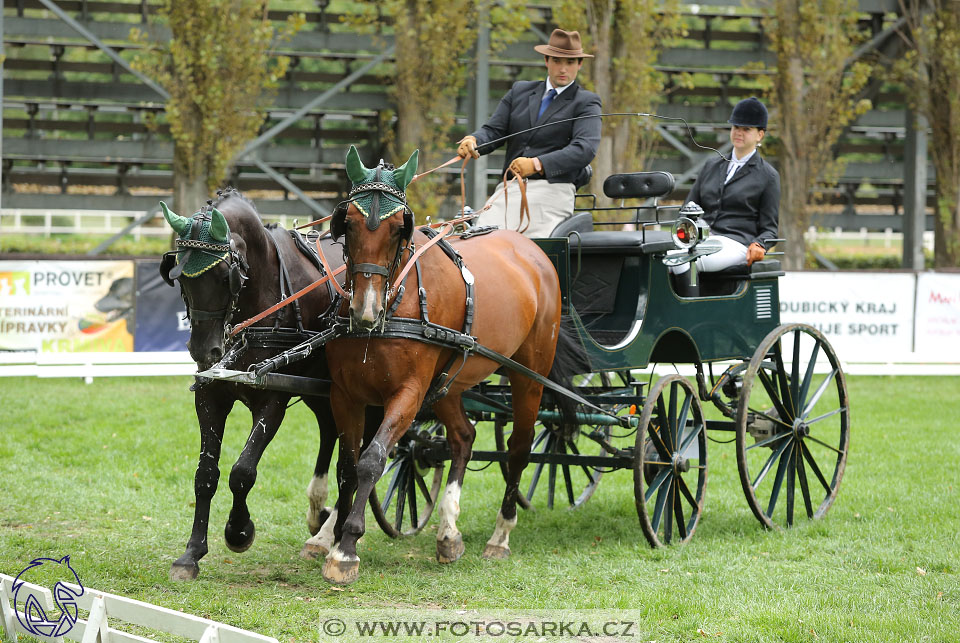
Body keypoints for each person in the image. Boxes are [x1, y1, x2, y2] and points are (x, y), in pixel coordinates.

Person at [457, 29, 601, 237]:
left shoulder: (586, 102)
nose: (563, 68)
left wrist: (537, 164)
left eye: (570, 63)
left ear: (579, 64)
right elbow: (494, 130)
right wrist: (474, 140)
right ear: (546, 60)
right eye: (557, 61)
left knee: (529, 247)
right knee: (478, 238)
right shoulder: (520, 91)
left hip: (553, 191)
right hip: (509, 190)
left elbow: (584, 149)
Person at [673, 96, 780, 282]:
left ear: (760, 135)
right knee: (661, 257)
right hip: (701, 238)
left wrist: (759, 244)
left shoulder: (768, 176)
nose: (739, 132)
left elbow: (770, 229)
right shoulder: (711, 165)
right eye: (736, 127)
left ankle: (689, 310)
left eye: (746, 129)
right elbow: (688, 207)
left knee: (684, 261)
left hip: (736, 242)